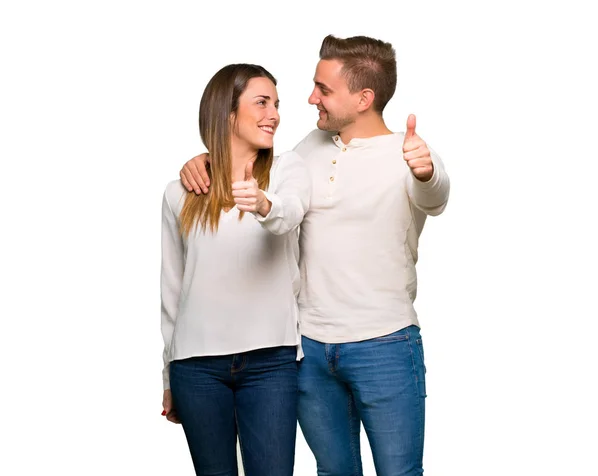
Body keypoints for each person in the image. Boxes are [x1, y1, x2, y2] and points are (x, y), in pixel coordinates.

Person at [180, 35, 450, 476]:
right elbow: (258, 167)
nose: (311, 98)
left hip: (385, 344)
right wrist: (203, 160)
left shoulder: (409, 152)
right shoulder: (308, 149)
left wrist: (427, 171)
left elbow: (435, 194)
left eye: (323, 89)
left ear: (364, 98)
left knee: (400, 473)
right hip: (311, 350)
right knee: (333, 471)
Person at [160, 63, 311, 476]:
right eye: (261, 102)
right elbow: (172, 291)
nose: (274, 114)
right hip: (196, 367)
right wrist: (168, 374)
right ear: (227, 113)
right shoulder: (180, 192)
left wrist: (263, 203)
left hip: (271, 361)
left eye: (276, 104)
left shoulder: (287, 170)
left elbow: (291, 214)